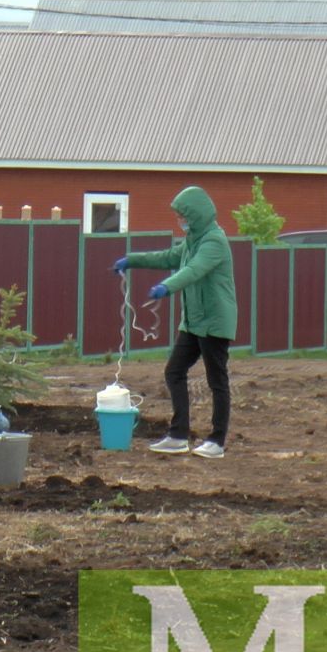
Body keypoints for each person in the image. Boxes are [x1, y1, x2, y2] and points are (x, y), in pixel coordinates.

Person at [114, 186, 236, 459]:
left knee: (217, 380)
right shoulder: (193, 240)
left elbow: (194, 271)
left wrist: (166, 287)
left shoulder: (213, 241)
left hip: (215, 321)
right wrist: (131, 260)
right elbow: (169, 258)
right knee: (174, 372)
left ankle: (216, 441)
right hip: (193, 321)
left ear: (196, 214)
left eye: (183, 215)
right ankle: (178, 435)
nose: (180, 220)